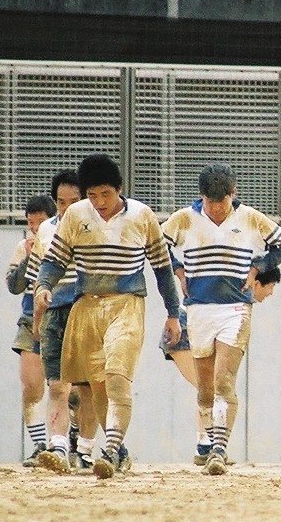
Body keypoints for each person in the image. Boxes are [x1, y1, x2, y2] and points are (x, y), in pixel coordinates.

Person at [34, 153, 181, 480]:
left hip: (126, 303)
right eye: (92, 195)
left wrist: (173, 313)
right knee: (96, 387)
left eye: (106, 194)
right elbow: (56, 259)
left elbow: (162, 269)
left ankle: (111, 448)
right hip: (86, 305)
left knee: (117, 377)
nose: (99, 202)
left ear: (120, 189)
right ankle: (120, 453)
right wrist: (44, 285)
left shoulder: (142, 216)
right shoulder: (75, 215)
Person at [161, 164, 281, 475]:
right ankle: (206, 444)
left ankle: (220, 449)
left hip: (235, 307)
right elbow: (155, 244)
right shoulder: (184, 218)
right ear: (201, 197)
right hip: (198, 308)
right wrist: (177, 270)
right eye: (210, 202)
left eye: (222, 202)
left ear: (233, 195)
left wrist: (258, 266)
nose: (216, 208)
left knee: (224, 380)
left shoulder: (249, 216)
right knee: (204, 388)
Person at [161, 262, 281, 466]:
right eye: (270, 286)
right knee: (207, 388)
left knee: (210, 389)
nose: (270, 293)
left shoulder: (236, 303)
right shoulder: (231, 297)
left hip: (194, 325)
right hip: (184, 327)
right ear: (256, 283)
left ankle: (206, 445)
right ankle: (205, 445)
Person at [29, 171, 85, 474]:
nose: (66, 208)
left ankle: (88, 448)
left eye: (74, 202)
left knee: (89, 390)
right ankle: (59, 447)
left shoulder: (93, 227)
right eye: (61, 202)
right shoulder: (46, 231)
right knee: (57, 386)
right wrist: (38, 321)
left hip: (87, 311)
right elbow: (39, 281)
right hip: (56, 313)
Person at [6, 192, 54, 465]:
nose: (35, 228)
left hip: (60, 315)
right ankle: (39, 444)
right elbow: (13, 286)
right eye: (30, 222)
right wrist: (27, 256)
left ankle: (69, 443)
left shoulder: (62, 241)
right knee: (31, 386)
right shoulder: (22, 246)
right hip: (29, 318)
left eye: (41, 222)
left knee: (71, 390)